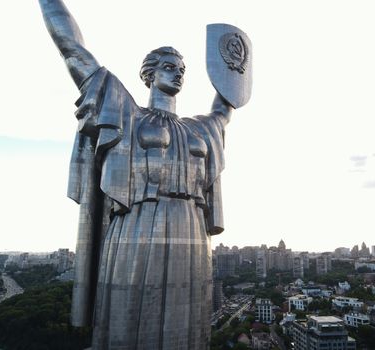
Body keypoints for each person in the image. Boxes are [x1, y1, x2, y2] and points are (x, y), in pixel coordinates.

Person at [38, 1, 235, 349]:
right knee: (128, 317)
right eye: (170, 67)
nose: (178, 74)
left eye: (182, 69)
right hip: (137, 223)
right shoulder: (126, 112)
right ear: (150, 73)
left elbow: (226, 105)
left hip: (190, 227)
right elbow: (73, 49)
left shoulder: (200, 129)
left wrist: (233, 65)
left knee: (188, 323)